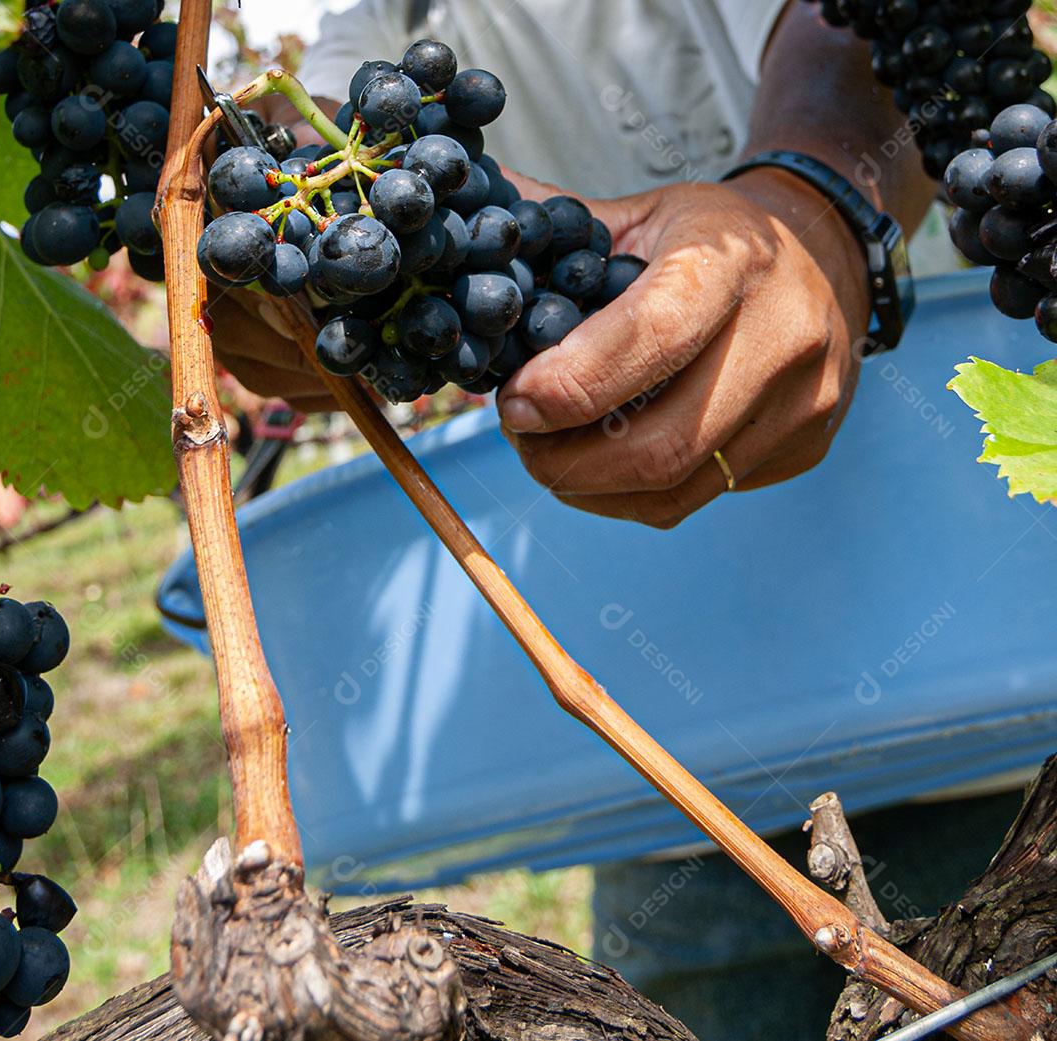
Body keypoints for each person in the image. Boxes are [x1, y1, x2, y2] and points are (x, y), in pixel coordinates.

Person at [209, 3, 1021, 1037]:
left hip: (981, 692)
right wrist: (286, 248)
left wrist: (822, 196)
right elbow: (323, 112)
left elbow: (903, 26)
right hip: (669, 771)